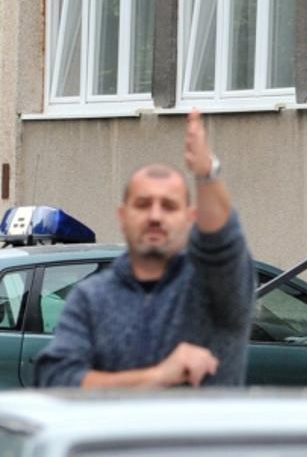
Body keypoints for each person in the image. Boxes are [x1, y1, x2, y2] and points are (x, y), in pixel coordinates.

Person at [36, 110, 253, 388]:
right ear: (122, 216)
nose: (155, 216)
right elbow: (57, 381)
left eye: (169, 206)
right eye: (143, 204)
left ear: (190, 218)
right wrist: (158, 376)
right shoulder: (91, 298)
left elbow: (222, 245)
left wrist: (207, 175)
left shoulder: (216, 291)